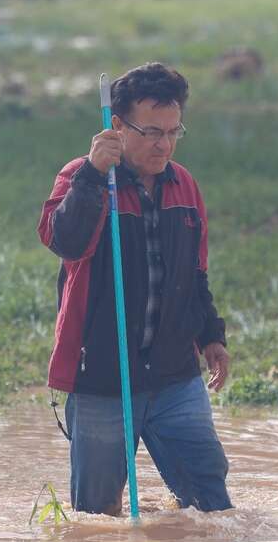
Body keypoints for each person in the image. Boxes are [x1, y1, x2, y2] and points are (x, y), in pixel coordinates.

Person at [38, 62, 233, 516]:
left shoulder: (184, 185)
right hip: (102, 379)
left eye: (173, 131)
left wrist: (211, 337)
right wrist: (90, 175)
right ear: (117, 127)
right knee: (95, 519)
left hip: (175, 377)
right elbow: (62, 239)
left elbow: (194, 275)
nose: (163, 144)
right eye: (150, 132)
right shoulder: (81, 178)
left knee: (211, 505)